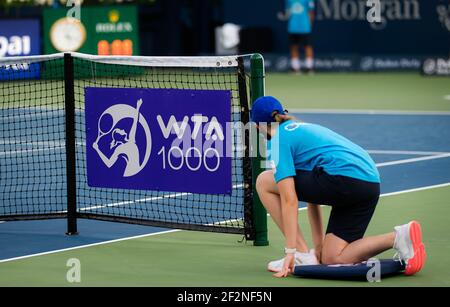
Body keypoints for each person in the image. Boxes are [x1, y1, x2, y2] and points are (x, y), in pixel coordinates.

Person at [251, 96, 426, 278]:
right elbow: (313, 196)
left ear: (257, 126)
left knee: (264, 181)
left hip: (345, 179)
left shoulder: (278, 141)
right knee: (332, 257)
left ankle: (300, 255)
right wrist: (318, 248)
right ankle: (399, 237)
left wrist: (290, 251)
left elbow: (289, 200)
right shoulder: (302, 128)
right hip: (369, 184)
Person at [278, 0, 315, 73]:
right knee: (293, 47)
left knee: (308, 46)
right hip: (292, 27)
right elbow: (288, 12)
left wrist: (309, 24)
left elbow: (311, 12)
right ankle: (295, 68)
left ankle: (309, 67)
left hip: (305, 27)